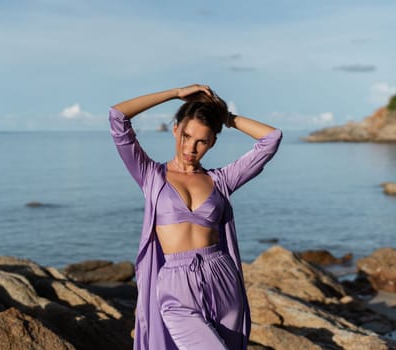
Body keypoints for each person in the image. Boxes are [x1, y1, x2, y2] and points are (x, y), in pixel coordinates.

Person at [109, 84, 282, 350]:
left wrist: (224, 116)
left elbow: (271, 138)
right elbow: (118, 116)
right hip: (176, 286)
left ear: (212, 141)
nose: (191, 147)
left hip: (222, 277)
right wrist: (175, 94)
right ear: (175, 129)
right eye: (187, 136)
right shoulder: (151, 175)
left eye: (202, 140)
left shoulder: (221, 180)